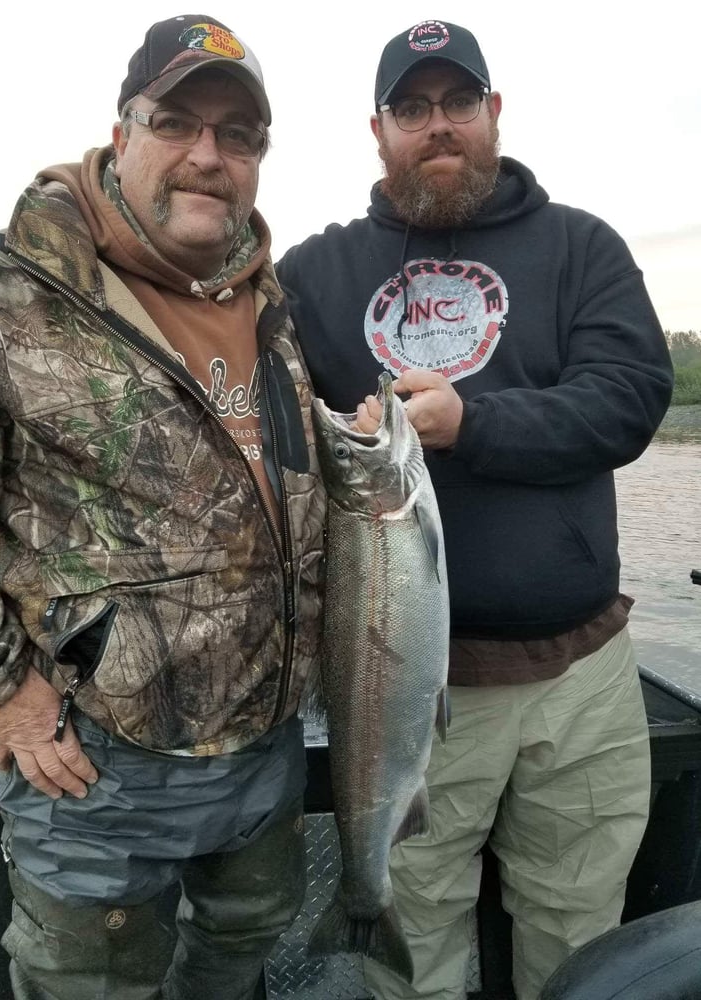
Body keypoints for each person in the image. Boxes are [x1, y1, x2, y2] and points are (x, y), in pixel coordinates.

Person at [276, 18, 673, 1000]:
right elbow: (252, 416)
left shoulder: (581, 247)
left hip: (580, 674)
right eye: (412, 109)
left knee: (578, 928)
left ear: (493, 114)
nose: (437, 126)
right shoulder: (317, 273)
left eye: (458, 103)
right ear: (378, 132)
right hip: (400, 685)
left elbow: (629, 395)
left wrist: (473, 424)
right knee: (417, 934)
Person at [0, 14, 325, 1000]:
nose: (208, 156)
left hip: (264, 756)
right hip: (92, 769)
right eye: (177, 122)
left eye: (238, 136)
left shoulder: (268, 297)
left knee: (237, 957)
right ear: (122, 136)